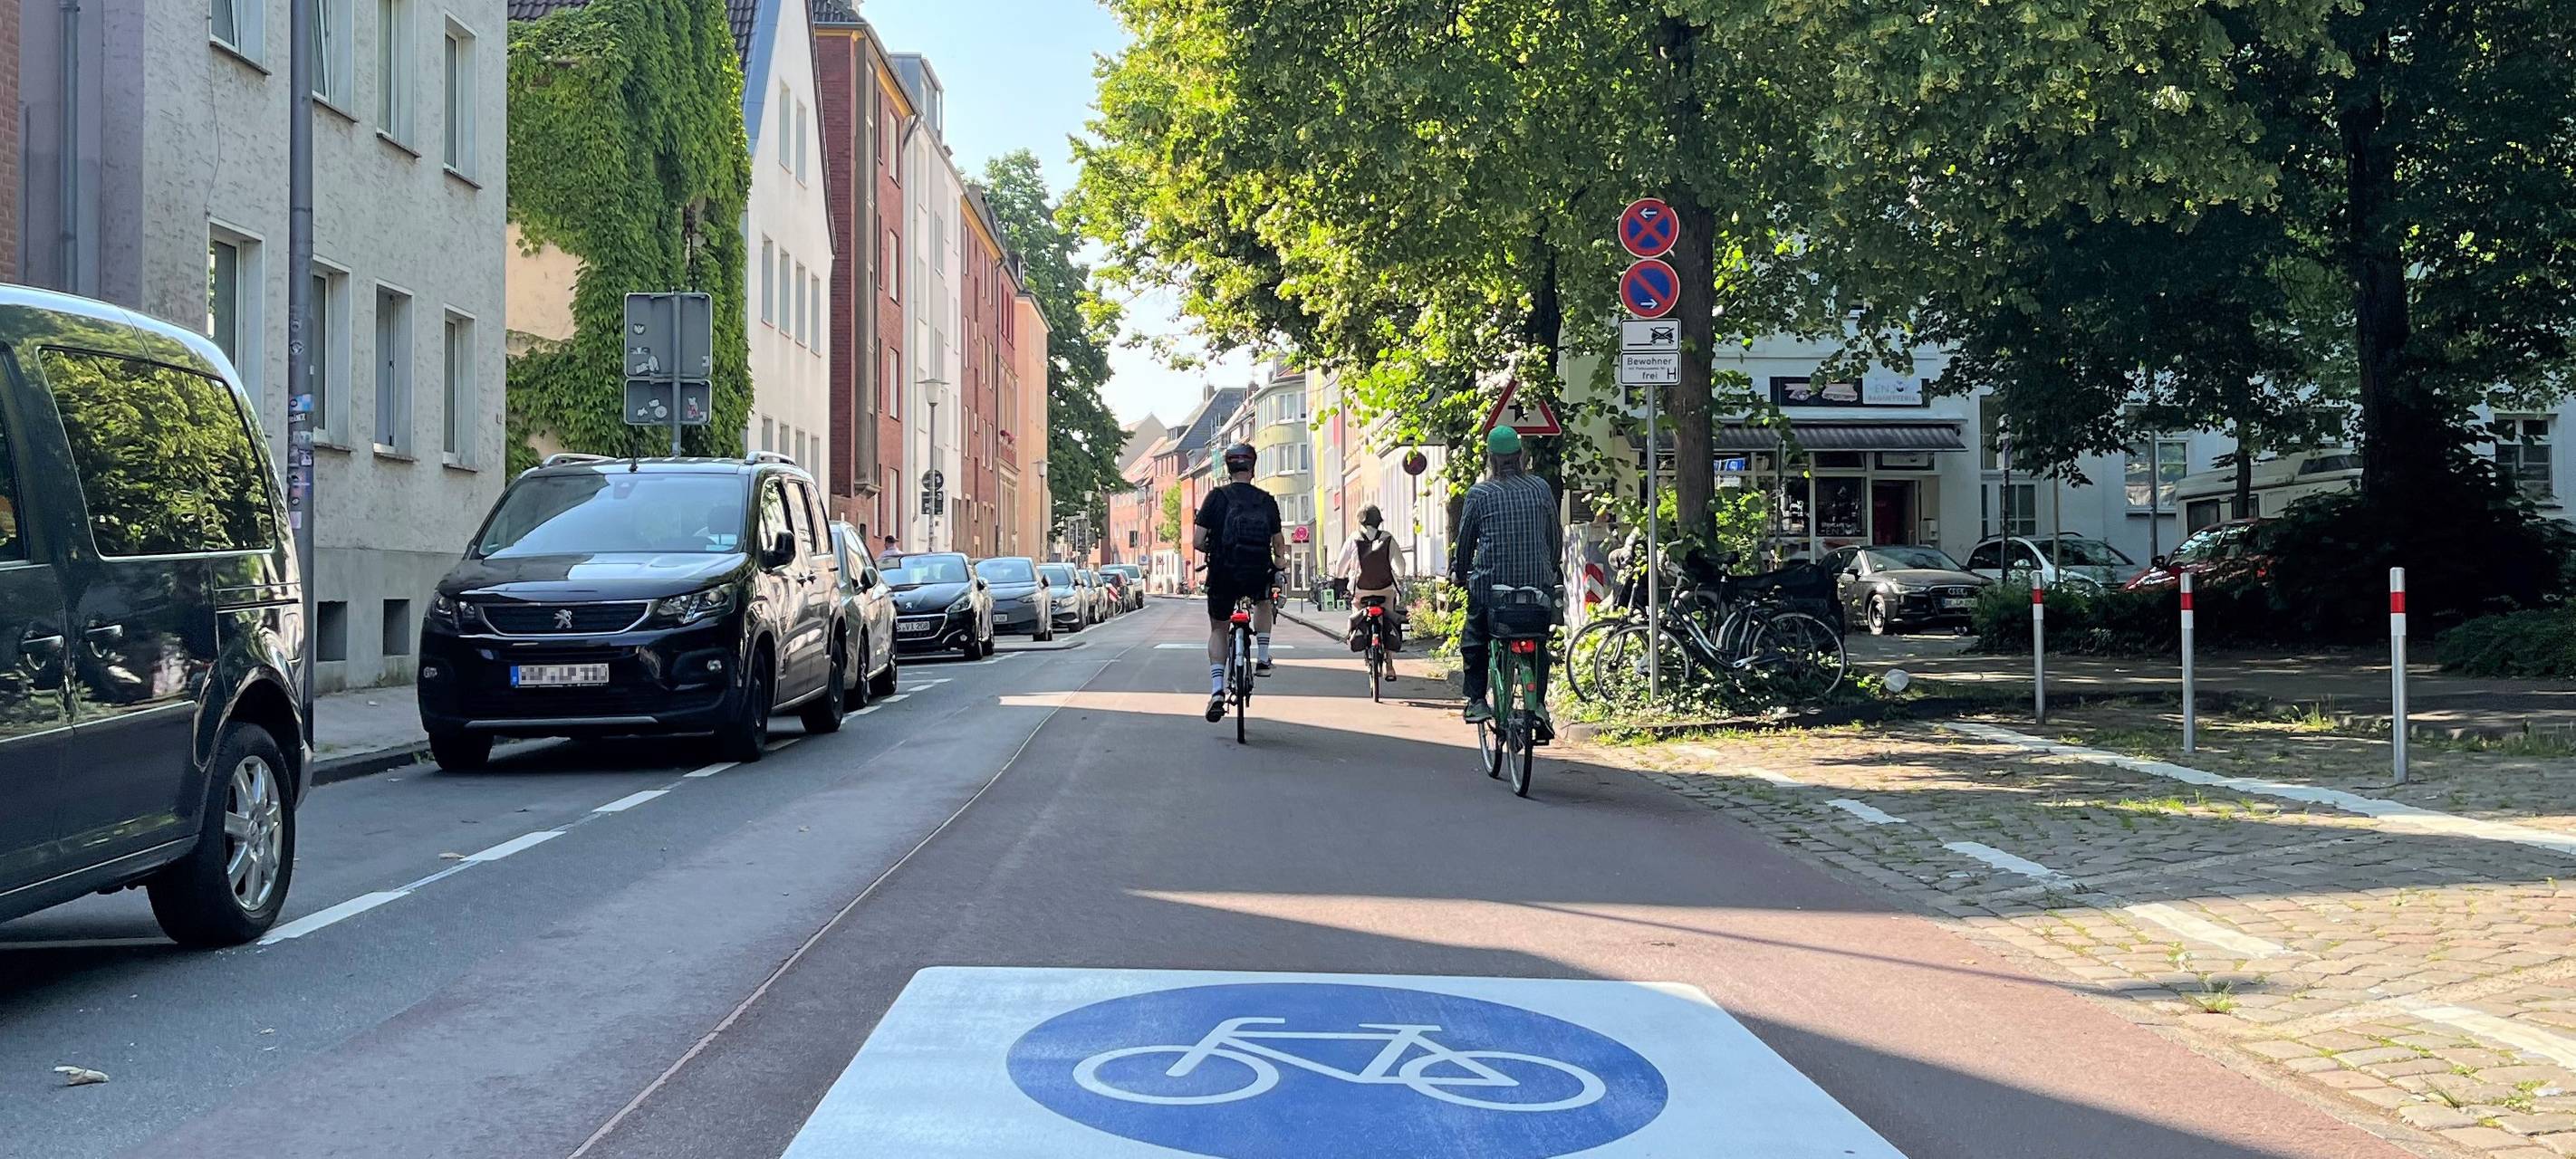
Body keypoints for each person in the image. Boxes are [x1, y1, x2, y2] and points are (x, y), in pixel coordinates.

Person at [1450, 426, 1562, 723]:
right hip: (1536, 588)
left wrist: (1459, 573)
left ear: (1490, 459)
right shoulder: (1540, 488)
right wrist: (1549, 569)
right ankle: (1537, 705)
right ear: (1520, 456)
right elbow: (1554, 536)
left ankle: (1476, 700)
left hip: (1492, 590)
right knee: (1538, 642)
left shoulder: (1479, 494)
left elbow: (1465, 544)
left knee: (1474, 638)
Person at [1194, 443, 1286, 721]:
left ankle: (1217, 690)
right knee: (1262, 602)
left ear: (1228, 468)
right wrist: (1279, 564)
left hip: (1223, 572)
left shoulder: (1215, 498)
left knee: (1219, 628)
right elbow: (1278, 543)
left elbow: (1198, 541)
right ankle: (1264, 657)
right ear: (1253, 468)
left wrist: (1213, 550)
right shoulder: (1266, 500)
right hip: (1257, 570)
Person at [1335, 504, 1408, 653]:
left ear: (1360, 521)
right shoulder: (1387, 537)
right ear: (1379, 520)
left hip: (1360, 589)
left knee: (1356, 609)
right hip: (1385, 588)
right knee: (1388, 620)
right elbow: (1401, 566)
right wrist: (1400, 575)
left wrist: (1340, 579)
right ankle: (1389, 664)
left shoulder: (1353, 538)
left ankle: (1355, 634)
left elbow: (1340, 567)